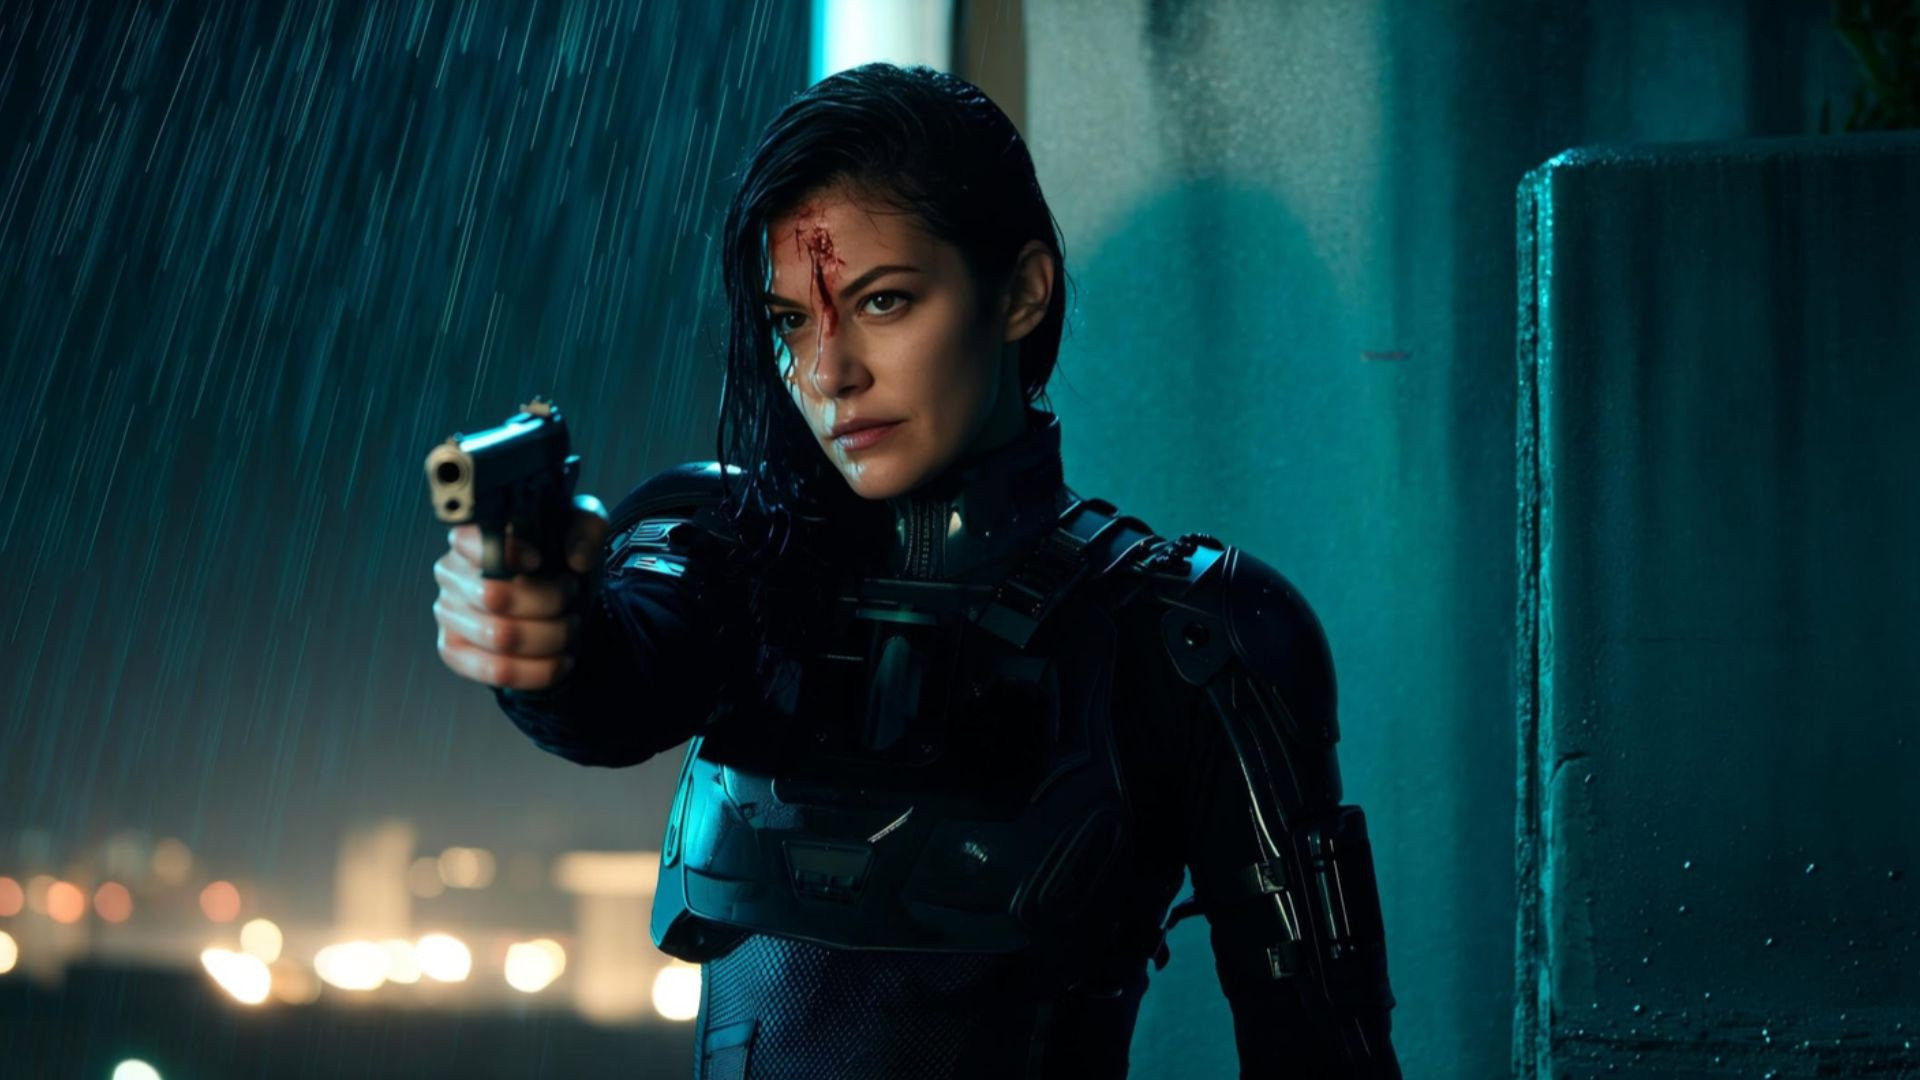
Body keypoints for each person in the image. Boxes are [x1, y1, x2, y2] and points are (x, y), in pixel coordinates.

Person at [433, 62, 1401, 1079]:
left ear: (1021, 291)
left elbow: (1324, 1052)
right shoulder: (728, 549)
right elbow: (617, 682)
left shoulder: (1187, 635)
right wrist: (541, 640)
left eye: (884, 301)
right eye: (790, 320)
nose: (829, 372)